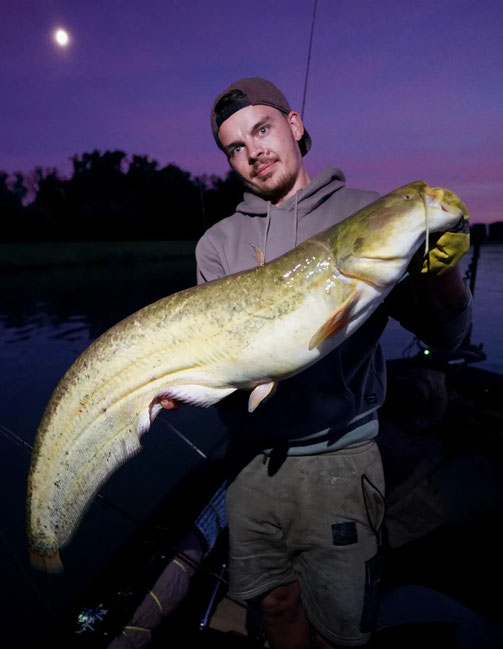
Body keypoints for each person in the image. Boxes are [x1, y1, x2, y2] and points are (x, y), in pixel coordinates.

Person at [191, 77, 472, 649]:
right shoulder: (216, 244)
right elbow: (221, 365)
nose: (253, 152)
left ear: (294, 126)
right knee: (274, 600)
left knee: (342, 626)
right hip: (250, 465)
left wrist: (440, 272)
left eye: (262, 130)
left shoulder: (368, 211)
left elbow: (447, 334)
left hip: (341, 458)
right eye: (235, 148)